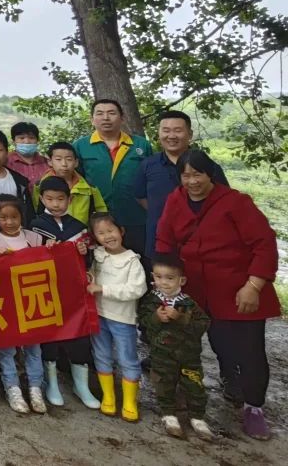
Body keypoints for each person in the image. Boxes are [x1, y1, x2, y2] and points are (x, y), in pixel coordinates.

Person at [155, 149, 280, 441]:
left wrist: (254, 286)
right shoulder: (175, 200)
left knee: (249, 351)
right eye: (186, 175)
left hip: (238, 289)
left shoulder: (236, 202)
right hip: (195, 290)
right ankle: (222, 386)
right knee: (217, 344)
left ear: (210, 174)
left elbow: (264, 243)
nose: (192, 181)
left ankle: (254, 407)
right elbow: (165, 239)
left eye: (198, 174)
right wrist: (163, 280)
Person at [30, 176, 100, 410]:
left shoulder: (78, 227)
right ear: (42, 199)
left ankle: (81, 385)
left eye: (60, 199)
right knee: (50, 335)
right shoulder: (35, 225)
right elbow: (27, 260)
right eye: (50, 199)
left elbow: (89, 261)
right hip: (46, 289)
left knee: (79, 333)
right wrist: (43, 249)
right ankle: (52, 383)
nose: (55, 204)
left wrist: (83, 252)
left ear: (69, 200)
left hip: (73, 290)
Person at [135, 110, 228, 267]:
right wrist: (162, 214)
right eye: (166, 130)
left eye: (178, 130)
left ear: (189, 134)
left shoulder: (208, 166)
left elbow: (224, 201)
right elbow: (140, 196)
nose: (171, 136)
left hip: (200, 246)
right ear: (159, 133)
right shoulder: (147, 165)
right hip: (158, 245)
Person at [138, 253, 214, 440]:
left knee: (194, 386)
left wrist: (180, 318)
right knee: (163, 384)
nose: (163, 282)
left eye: (170, 278)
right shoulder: (151, 301)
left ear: (182, 280)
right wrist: (156, 318)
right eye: (158, 277)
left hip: (189, 356)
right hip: (162, 355)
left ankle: (197, 417)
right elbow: (143, 323)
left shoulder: (188, 303)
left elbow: (203, 324)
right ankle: (168, 414)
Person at [0, 194, 47, 414]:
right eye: (3, 218)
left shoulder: (35, 238)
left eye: (14, 217)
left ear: (22, 216)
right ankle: (12, 387)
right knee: (7, 348)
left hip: (32, 300)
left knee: (34, 347)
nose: (10, 222)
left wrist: (52, 249)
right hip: (6, 303)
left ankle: (35, 387)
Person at [73, 99, 152, 260]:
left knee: (141, 261)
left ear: (122, 118)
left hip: (136, 218)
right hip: (99, 221)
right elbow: (75, 180)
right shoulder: (80, 146)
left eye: (111, 113)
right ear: (92, 119)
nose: (106, 118)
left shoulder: (140, 145)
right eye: (100, 113)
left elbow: (150, 180)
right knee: (103, 264)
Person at [87, 212, 147, 422]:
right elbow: (90, 277)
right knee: (102, 355)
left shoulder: (132, 260)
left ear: (121, 231)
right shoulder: (97, 256)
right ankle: (109, 396)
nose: (107, 236)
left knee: (127, 358)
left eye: (110, 230)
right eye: (101, 233)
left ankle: (130, 401)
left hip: (123, 319)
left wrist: (103, 289)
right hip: (99, 315)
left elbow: (137, 289)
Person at [35, 142, 107, 225]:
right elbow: (36, 211)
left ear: (76, 162)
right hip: (50, 231)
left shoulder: (89, 187)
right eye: (58, 159)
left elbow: (101, 212)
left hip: (82, 231)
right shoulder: (39, 186)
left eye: (69, 159)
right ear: (50, 161)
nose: (64, 164)